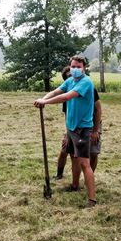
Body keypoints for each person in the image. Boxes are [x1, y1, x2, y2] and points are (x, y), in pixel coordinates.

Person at [34, 55, 97, 208]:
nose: (75, 69)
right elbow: (56, 91)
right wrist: (43, 98)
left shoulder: (85, 82)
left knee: (84, 163)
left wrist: (46, 102)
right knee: (73, 158)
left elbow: (67, 96)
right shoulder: (70, 81)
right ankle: (74, 185)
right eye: (73, 67)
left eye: (79, 67)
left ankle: (92, 199)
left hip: (83, 128)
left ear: (84, 68)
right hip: (71, 127)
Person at [55, 66, 102, 180]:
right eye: (69, 77)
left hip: (91, 124)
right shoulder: (67, 93)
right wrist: (67, 134)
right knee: (65, 150)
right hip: (74, 126)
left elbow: (98, 109)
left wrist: (96, 130)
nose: (73, 77)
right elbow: (67, 116)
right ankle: (59, 174)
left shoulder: (89, 87)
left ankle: (89, 178)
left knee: (93, 153)